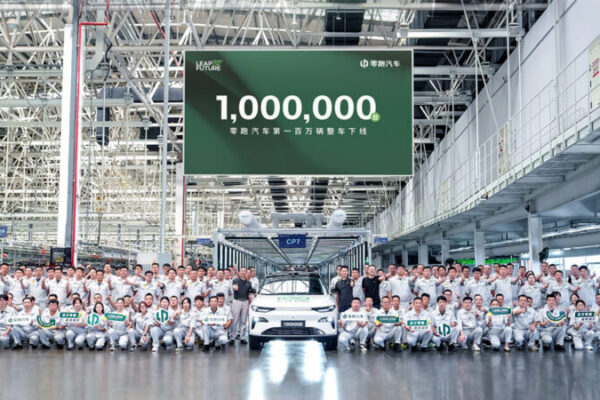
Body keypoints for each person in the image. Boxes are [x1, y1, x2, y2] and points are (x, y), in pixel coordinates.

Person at [231, 267, 253, 343]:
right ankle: (232, 337)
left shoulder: (249, 283)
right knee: (235, 319)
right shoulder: (235, 280)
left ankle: (242, 337)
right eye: (242, 271)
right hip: (237, 301)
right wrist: (235, 288)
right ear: (239, 272)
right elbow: (234, 287)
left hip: (245, 302)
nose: (243, 272)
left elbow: (250, 294)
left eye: (244, 271)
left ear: (246, 272)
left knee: (243, 320)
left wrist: (250, 303)